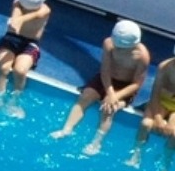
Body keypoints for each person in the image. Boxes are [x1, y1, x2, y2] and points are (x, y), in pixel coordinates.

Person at [51, 19, 152, 156]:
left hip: (125, 88)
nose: (119, 49)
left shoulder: (142, 56)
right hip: (106, 79)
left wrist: (115, 96)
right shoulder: (109, 44)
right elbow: (105, 70)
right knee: (85, 96)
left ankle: (96, 142)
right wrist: (110, 92)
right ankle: (66, 129)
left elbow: (136, 84)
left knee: (108, 109)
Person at [0, 0, 51, 119]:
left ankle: (14, 102)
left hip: (30, 44)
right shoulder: (17, 3)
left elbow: (36, 15)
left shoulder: (45, 10)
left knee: (20, 70)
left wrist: (19, 20)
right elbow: (16, 13)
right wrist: (16, 19)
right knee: (3, 67)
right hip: (11, 39)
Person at [128, 54, 175, 171]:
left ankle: (166, 161)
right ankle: (136, 153)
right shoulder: (164, 66)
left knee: (174, 133)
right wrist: (158, 118)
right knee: (145, 124)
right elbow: (155, 94)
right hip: (161, 101)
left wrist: (172, 121)